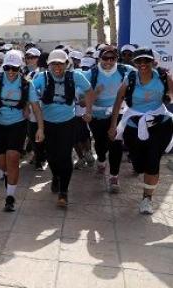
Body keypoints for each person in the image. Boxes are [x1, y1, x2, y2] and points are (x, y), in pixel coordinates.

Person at [109, 47, 173, 214]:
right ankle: (142, 171)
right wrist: (113, 125)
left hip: (160, 123)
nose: (143, 64)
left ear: (153, 61)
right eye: (139, 61)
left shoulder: (163, 76)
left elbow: (172, 94)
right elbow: (118, 101)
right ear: (134, 63)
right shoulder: (130, 78)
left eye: (147, 60)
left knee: (153, 161)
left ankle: (147, 199)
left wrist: (167, 97)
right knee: (138, 163)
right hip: (133, 124)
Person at [32, 49, 93, 208]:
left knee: (65, 156)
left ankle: (63, 192)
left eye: (60, 63)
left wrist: (88, 111)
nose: (57, 67)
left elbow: (89, 91)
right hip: (48, 123)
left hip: (67, 123)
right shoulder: (41, 78)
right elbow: (30, 94)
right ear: (48, 65)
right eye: (53, 63)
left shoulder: (75, 76)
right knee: (52, 157)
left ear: (67, 64)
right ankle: (56, 177)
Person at [0, 50, 44, 212]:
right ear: (3, 67)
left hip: (17, 124)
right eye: (8, 68)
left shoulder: (26, 84)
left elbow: (36, 108)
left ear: (20, 68)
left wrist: (40, 128)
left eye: (15, 68)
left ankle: (10, 196)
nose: (11, 72)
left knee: (13, 158)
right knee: (2, 161)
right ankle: (4, 173)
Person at [86, 45, 132, 193]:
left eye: (113, 58)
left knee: (115, 144)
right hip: (97, 115)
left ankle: (114, 176)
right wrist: (95, 93)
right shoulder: (91, 73)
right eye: (105, 58)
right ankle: (101, 161)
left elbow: (143, 75)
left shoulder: (125, 71)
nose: (109, 61)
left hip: (117, 113)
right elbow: (82, 101)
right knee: (100, 144)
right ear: (100, 58)